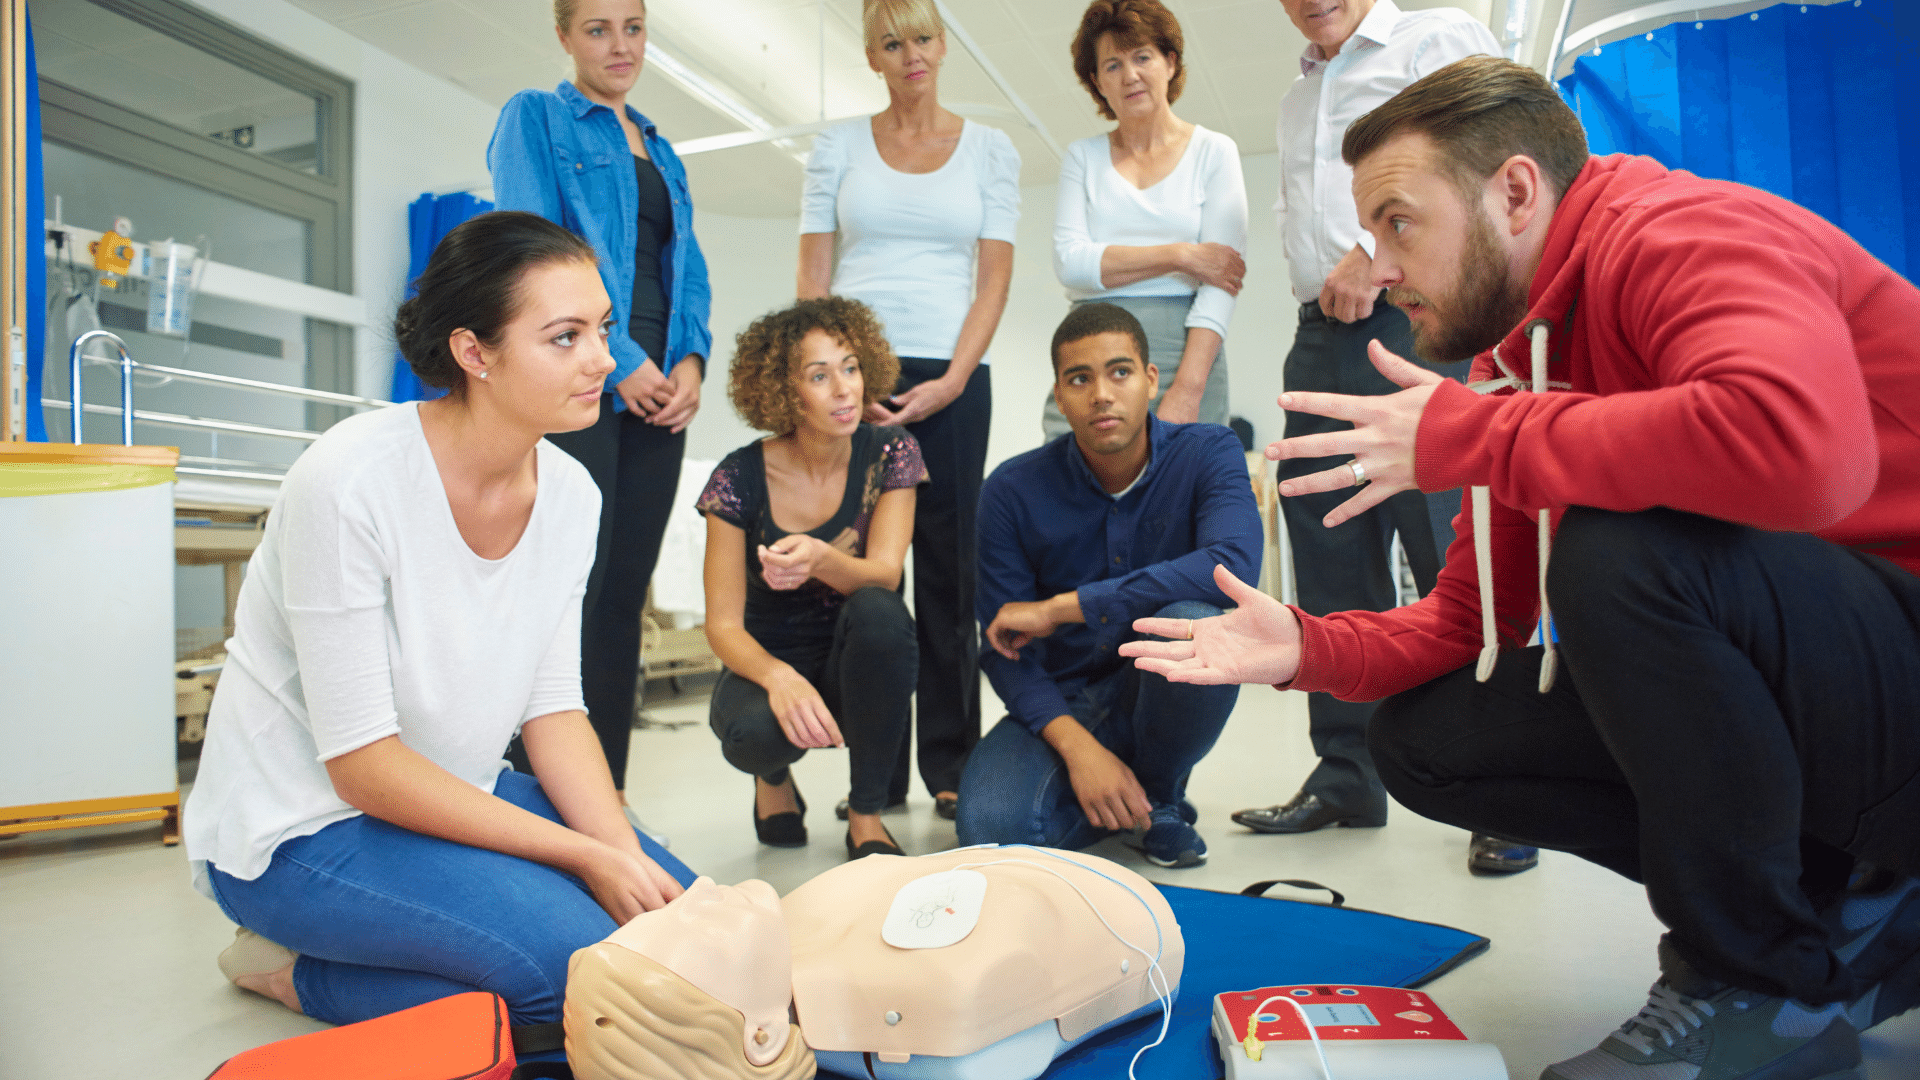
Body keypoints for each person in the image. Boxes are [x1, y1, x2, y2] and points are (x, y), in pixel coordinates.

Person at [1122, 56, 1920, 1080]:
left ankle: (1759, 989)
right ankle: (1842, 906)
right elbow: (1467, 626)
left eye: (1399, 223)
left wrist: (1491, 438)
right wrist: (1302, 648)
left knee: (1622, 550)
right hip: (1851, 691)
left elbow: (1810, 450)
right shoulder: (1518, 356)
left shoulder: (1683, 233)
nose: (1383, 265)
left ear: (1513, 191)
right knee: (1429, 738)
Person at [182, 212, 695, 1042]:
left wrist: (620, 855)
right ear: (474, 352)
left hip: (458, 794)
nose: (604, 359)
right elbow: (362, 768)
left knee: (684, 944)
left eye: (601, 329)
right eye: (564, 337)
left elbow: (554, 706)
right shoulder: (349, 481)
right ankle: (291, 970)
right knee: (577, 993)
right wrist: (582, 857)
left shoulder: (571, 496)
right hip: (301, 828)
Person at [1230, 0, 1531, 876]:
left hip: (1419, 319)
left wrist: (1378, 248)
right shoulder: (1297, 98)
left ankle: (1505, 787)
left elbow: (1492, 176)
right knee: (1326, 545)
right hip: (1318, 332)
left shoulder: (1435, 40)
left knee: (1454, 548)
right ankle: (1347, 773)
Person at [488, 0, 712, 824]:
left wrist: (688, 360)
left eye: (634, 27)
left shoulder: (660, 146)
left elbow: (687, 269)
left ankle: (603, 798)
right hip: (582, 383)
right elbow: (532, 252)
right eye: (597, 29)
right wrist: (618, 362)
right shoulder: (539, 118)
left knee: (622, 596)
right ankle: (534, 803)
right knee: (565, 594)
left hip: (657, 395)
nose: (619, 46)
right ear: (563, 36)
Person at [797, 0, 1020, 824]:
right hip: (857, 378)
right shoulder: (837, 148)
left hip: (952, 377)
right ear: (871, 56)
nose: (911, 54)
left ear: (943, 43)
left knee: (949, 572)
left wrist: (955, 379)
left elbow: (992, 279)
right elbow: (813, 281)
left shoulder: (990, 150)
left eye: (923, 36)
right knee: (866, 578)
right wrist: (829, 384)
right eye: (892, 42)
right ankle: (876, 774)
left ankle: (954, 763)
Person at [958, 303, 1261, 868]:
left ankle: (1162, 789)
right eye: (1080, 378)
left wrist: (1066, 608)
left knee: (1196, 623)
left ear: (1150, 380)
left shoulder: (1207, 454)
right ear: (1060, 394)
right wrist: (1077, 750)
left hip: (1160, 686)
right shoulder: (1010, 490)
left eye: (1119, 372)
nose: (1101, 393)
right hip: (1065, 701)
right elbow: (1003, 647)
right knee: (992, 832)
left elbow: (1234, 566)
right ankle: (1135, 801)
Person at [699, 298, 926, 860]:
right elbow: (721, 625)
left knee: (882, 613)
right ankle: (772, 780)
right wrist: (778, 678)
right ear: (783, 391)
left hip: (851, 659)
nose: (845, 389)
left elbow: (885, 575)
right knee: (753, 736)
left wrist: (821, 559)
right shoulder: (737, 476)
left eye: (850, 368)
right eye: (819, 376)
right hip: (766, 660)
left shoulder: (891, 452)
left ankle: (867, 814)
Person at [1046, 0, 1248, 439]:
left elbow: (1222, 280)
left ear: (1170, 63)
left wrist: (1188, 389)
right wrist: (1181, 256)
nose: (1130, 75)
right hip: (1091, 346)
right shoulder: (1083, 157)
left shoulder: (1215, 152)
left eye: (1142, 57)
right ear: (1097, 81)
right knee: (1073, 493)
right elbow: (1071, 264)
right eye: (1112, 65)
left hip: (1189, 351)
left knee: (1185, 496)